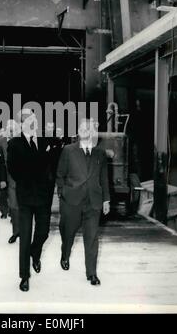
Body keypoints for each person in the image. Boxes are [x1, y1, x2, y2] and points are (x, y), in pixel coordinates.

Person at [56, 118, 110, 286]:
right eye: (82, 127)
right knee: (68, 234)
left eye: (89, 127)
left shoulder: (100, 153)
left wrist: (106, 199)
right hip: (72, 201)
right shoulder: (68, 150)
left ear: (93, 131)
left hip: (93, 202)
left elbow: (104, 178)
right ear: (78, 131)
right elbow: (60, 174)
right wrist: (62, 193)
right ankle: (65, 254)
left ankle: (92, 273)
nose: (85, 129)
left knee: (92, 237)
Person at [7, 109, 51, 292]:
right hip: (25, 197)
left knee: (44, 232)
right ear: (22, 123)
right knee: (24, 237)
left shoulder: (45, 141)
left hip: (43, 197)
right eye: (28, 120)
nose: (32, 123)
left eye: (34, 119)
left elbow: (50, 165)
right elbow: (14, 169)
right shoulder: (14, 144)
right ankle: (24, 276)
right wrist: (34, 169)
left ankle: (35, 252)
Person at [0, 119, 20, 244]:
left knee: (24, 206)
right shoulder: (0, 142)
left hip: (23, 178)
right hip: (7, 177)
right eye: (9, 129)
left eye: (13, 129)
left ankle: (24, 230)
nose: (11, 132)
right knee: (14, 205)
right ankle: (16, 232)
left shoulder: (24, 141)